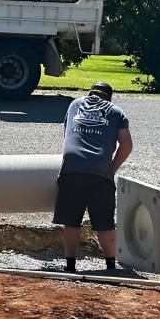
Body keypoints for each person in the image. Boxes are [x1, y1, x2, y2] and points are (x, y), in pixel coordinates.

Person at [54, 80, 133, 273]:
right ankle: (110, 266)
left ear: (90, 94)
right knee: (104, 223)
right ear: (109, 97)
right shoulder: (116, 112)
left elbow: (67, 135)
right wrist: (111, 169)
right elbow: (127, 145)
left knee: (71, 220)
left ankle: (70, 266)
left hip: (71, 167)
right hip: (99, 169)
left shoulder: (74, 105)